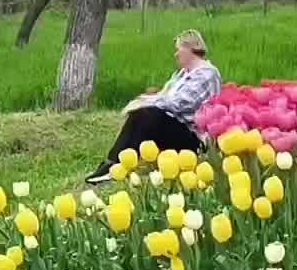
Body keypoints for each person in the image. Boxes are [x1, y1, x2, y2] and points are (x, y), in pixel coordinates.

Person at [87, 30, 222, 184]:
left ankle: (116, 167)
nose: (176, 54)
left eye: (178, 49)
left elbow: (179, 103)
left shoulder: (206, 74)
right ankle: (114, 164)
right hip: (178, 129)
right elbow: (164, 96)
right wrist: (146, 101)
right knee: (141, 114)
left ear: (190, 48)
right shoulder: (182, 74)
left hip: (194, 138)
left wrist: (146, 102)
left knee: (149, 115)